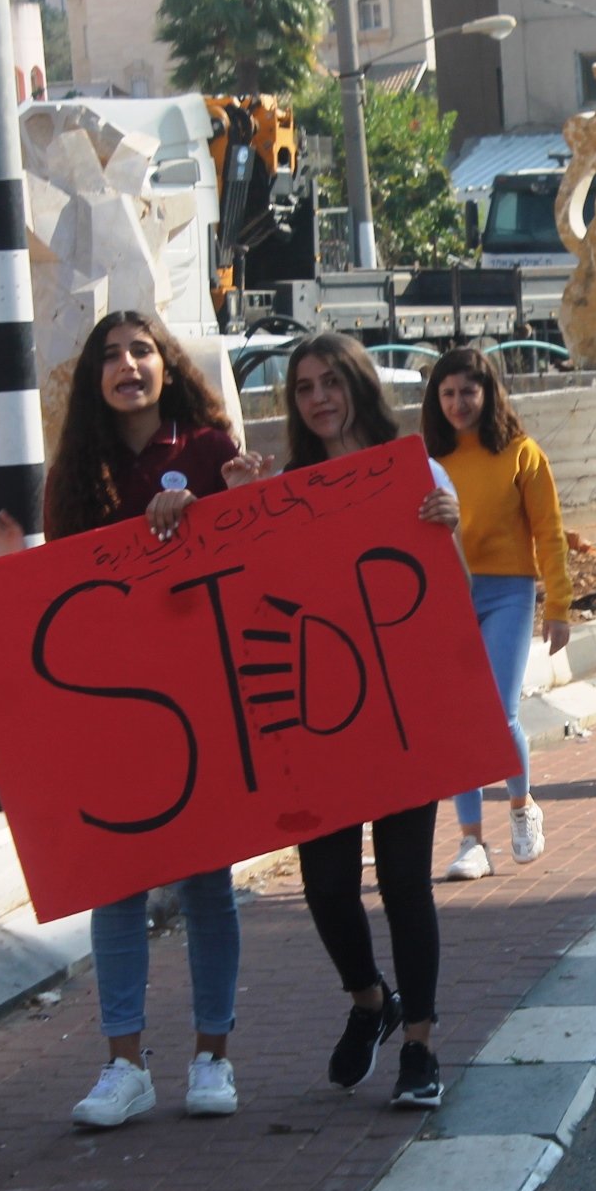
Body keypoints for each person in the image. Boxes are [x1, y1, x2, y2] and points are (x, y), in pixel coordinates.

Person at [0, 311, 248, 1128]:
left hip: (201, 701)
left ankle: (212, 1058)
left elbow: (250, 559)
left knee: (206, 883)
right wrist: (2, 570)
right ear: (94, 379)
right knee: (114, 883)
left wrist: (219, 507)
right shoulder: (75, 471)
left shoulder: (212, 450)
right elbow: (58, 599)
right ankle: (125, 1066)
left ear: (167, 365)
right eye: (111, 355)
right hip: (112, 708)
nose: (127, 364)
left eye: (142, 350)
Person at [221, 332, 461, 1108]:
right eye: (303, 387)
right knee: (325, 884)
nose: (318, 397)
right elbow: (250, 593)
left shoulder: (414, 471)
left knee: (401, 880)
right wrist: (237, 510)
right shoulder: (286, 487)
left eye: (330, 381)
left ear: (358, 384)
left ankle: (419, 1045)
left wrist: (448, 526)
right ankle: (370, 1001)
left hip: (401, 714)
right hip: (316, 717)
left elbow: (446, 593)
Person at [416, 348, 573, 881]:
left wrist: (559, 606)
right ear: (435, 401)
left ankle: (522, 804)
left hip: (509, 591)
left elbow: (549, 533)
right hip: (448, 594)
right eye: (448, 393)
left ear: (488, 393)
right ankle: (470, 841)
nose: (458, 403)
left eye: (468, 391)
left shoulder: (523, 454)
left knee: (498, 712)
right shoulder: (426, 462)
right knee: (461, 715)